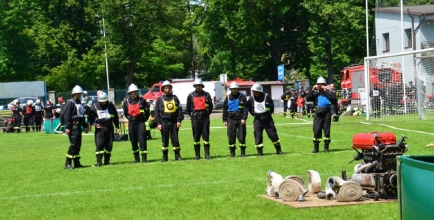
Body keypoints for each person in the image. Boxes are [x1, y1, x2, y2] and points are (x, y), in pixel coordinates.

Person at [247, 82, 284, 156]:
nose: (253, 92)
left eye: (254, 91)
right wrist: (255, 115)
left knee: (273, 134)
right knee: (258, 136)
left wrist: (267, 115)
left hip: (267, 120)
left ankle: (278, 150)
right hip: (257, 120)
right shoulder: (251, 99)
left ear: (259, 91)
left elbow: (272, 107)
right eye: (253, 91)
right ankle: (260, 152)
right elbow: (249, 108)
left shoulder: (267, 96)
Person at [154, 80, 184, 162]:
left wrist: (179, 120)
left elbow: (179, 110)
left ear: (171, 89)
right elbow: (156, 113)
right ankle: (164, 156)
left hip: (174, 121)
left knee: (175, 139)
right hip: (164, 121)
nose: (167, 89)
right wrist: (158, 123)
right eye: (166, 88)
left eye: (168, 88)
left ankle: (177, 155)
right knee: (165, 139)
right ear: (163, 89)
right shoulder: (159, 99)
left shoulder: (175, 98)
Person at [88, 92, 120, 167]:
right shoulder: (95, 106)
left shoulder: (110, 105)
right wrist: (94, 124)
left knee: (109, 145)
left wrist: (117, 127)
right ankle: (99, 162)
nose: (103, 103)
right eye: (101, 102)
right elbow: (90, 116)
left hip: (109, 127)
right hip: (100, 129)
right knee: (99, 145)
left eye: (104, 101)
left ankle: (107, 161)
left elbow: (115, 116)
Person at [305, 77, 336, 153]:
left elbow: (333, 98)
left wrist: (325, 90)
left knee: (326, 131)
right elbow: (307, 98)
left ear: (325, 85)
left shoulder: (329, 92)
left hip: (327, 113)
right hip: (318, 114)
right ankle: (316, 148)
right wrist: (312, 90)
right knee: (316, 130)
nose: (320, 86)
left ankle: (326, 148)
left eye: (322, 84)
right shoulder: (315, 93)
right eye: (319, 84)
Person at [186, 78, 214, 160]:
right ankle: (197, 155)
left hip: (205, 118)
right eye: (196, 86)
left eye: (199, 85)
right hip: (195, 118)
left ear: (202, 86)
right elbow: (187, 109)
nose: (198, 87)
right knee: (196, 136)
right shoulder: (191, 95)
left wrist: (206, 114)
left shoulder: (206, 94)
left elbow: (211, 106)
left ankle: (207, 154)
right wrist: (193, 116)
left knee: (206, 136)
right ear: (194, 86)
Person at [122, 84, 150, 163]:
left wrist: (143, 119)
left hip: (140, 122)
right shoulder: (126, 102)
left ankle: (144, 158)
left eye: (136, 92)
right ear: (130, 93)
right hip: (132, 123)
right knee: (133, 140)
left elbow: (147, 112)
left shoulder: (142, 100)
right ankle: (136, 158)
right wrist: (131, 119)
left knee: (142, 140)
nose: (135, 93)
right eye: (133, 92)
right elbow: (125, 113)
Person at [64, 85, 89, 169]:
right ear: (74, 94)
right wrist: (68, 127)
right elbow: (67, 115)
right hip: (73, 126)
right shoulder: (70, 103)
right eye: (77, 94)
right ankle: (68, 163)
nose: (79, 95)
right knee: (73, 144)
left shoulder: (80, 103)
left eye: (80, 94)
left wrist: (85, 126)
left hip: (78, 126)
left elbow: (81, 115)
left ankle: (76, 162)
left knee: (78, 145)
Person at [222, 81, 248, 157]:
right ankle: (232, 152)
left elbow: (246, 109)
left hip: (240, 119)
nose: (234, 90)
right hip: (231, 119)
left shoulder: (242, 97)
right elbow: (225, 109)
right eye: (232, 89)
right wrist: (225, 120)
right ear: (231, 89)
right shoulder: (228, 97)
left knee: (242, 135)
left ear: (238, 89)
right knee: (231, 135)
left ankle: (243, 152)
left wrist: (244, 118)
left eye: (235, 89)